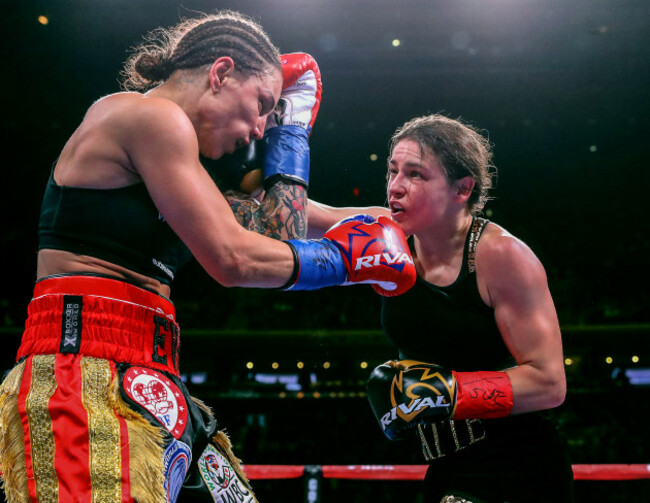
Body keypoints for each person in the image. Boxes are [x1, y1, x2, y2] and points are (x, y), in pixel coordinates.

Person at [0, 11, 416, 503]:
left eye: (272, 115)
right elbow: (234, 259)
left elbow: (281, 227)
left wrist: (405, 224)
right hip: (82, 372)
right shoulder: (145, 116)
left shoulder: (180, 161)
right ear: (220, 73)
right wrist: (348, 263)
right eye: (262, 105)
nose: (263, 128)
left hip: (148, 369)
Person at [310, 114, 574, 502]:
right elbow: (293, 219)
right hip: (446, 465)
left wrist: (447, 392)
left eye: (415, 174)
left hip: (519, 467)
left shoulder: (500, 257)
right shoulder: (384, 235)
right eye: (393, 170)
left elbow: (550, 383)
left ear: (462, 189)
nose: (395, 187)